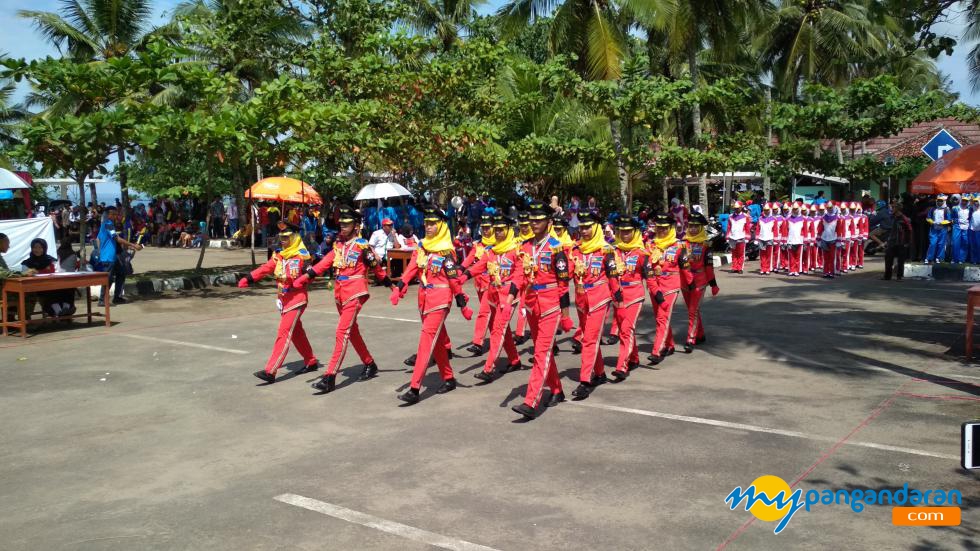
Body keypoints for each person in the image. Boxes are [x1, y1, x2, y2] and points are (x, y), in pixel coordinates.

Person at [292, 207, 390, 392]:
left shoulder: (362, 246)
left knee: (342, 332)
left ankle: (330, 376)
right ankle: (369, 363)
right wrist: (304, 278)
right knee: (352, 332)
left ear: (356, 226)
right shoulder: (338, 246)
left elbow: (376, 267)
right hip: (340, 293)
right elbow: (322, 265)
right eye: (341, 224)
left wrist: (390, 284)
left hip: (355, 292)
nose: (343, 227)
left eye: (347, 224)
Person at [389, 206, 473, 405]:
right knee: (438, 339)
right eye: (426, 223)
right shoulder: (423, 247)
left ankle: (414, 388)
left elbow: (454, 280)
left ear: (442, 225)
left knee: (426, 341)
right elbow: (412, 267)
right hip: (424, 298)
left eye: (432, 223)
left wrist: (462, 303)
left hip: (440, 300)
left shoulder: (447, 251)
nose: (428, 226)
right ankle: (448, 378)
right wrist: (400, 286)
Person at [237, 224, 320, 383]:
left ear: (294, 237)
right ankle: (311, 361)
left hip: (297, 299)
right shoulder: (279, 255)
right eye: (281, 237)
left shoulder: (302, 255)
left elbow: (312, 275)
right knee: (296, 332)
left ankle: (271, 371)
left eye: (286, 237)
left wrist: (302, 279)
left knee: (284, 332)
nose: (282, 240)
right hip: (283, 299)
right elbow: (265, 268)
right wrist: (248, 278)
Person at [511, 201, 571, 419]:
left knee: (541, 352)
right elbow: (519, 273)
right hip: (531, 303)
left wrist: (565, 315)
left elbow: (564, 284)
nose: (534, 223)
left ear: (549, 222)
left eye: (539, 219)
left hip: (550, 304)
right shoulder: (525, 247)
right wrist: (511, 293)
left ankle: (531, 401)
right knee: (541, 350)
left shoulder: (557, 248)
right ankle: (556, 390)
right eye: (532, 219)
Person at [458, 215, 525, 381]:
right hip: (493, 294)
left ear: (509, 230)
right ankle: (515, 360)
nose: (499, 233)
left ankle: (488, 368)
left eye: (502, 230)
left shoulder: (516, 250)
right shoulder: (491, 251)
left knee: (498, 330)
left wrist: (511, 296)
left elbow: (519, 274)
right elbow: (479, 266)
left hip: (509, 296)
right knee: (504, 331)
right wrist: (464, 276)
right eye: (497, 230)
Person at [568, 211, 620, 399]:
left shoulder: (606, 249)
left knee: (589, 339)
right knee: (591, 337)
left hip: (600, 298)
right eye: (581, 227)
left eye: (588, 226)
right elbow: (566, 272)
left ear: (596, 227)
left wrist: (617, 295)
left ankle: (585, 380)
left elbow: (613, 274)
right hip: (581, 299)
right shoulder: (575, 249)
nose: (584, 230)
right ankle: (599, 373)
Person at [609, 215, 650, 380]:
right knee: (625, 330)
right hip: (617, 296)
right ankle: (634, 357)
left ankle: (622, 366)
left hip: (634, 296)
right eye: (621, 231)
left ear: (634, 232)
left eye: (628, 232)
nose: (624, 235)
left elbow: (650, 276)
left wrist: (658, 293)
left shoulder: (641, 253)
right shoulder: (613, 252)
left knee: (626, 330)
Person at [680, 213, 719, 352]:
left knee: (692, 311)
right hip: (684, 281)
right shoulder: (682, 244)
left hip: (699, 281)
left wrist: (713, 284)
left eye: (696, 226)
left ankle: (690, 339)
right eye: (691, 226)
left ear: (702, 228)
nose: (693, 229)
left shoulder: (706, 245)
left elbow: (709, 267)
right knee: (693, 310)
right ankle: (700, 334)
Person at [460, 214, 495, 355]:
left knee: (483, 313)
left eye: (488, 227)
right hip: (479, 284)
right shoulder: (478, 244)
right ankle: (498, 338)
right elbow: (469, 258)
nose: (485, 230)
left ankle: (478, 343)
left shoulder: (498, 245)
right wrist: (460, 270)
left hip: (492, 284)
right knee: (490, 315)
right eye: (483, 228)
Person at [95, 208, 144, 306]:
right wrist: (133, 245)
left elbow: (98, 239)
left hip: (112, 256)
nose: (115, 217)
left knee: (121, 273)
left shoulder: (105, 225)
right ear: (109, 215)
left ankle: (117, 297)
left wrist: (100, 250)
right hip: (108, 257)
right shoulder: (108, 224)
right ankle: (102, 300)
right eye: (114, 214)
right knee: (108, 278)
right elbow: (116, 238)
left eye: (116, 214)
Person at [21, 238, 76, 317]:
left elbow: (58, 272)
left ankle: (66, 308)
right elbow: (23, 275)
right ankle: (57, 311)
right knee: (50, 290)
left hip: (53, 284)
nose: (37, 250)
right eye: (35, 247)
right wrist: (28, 273)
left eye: (40, 247)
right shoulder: (26, 263)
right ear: (32, 248)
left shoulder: (51, 260)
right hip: (36, 287)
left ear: (44, 248)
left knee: (69, 287)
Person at [883, 201, 912, 281]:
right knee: (888, 259)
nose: (892, 209)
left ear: (898, 209)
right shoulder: (891, 217)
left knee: (900, 261)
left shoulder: (904, 219)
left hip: (901, 242)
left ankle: (899, 277)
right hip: (891, 242)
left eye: (893, 207)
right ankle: (887, 276)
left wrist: (907, 242)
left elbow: (909, 230)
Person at [817, 202, 842, 278]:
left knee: (832, 257)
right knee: (825, 257)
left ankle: (831, 272)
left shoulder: (837, 218)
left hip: (833, 239)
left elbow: (839, 230)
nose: (829, 209)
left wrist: (839, 241)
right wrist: (818, 239)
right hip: (824, 239)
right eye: (828, 208)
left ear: (834, 208)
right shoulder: (823, 217)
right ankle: (825, 272)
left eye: (831, 208)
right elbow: (820, 229)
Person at [924, 194, 951, 264]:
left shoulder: (947, 209)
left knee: (941, 244)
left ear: (944, 201)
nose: (939, 202)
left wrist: (942, 222)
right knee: (932, 243)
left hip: (943, 229)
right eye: (938, 201)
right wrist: (932, 222)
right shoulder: (933, 209)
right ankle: (929, 258)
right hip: (934, 229)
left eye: (941, 201)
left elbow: (949, 219)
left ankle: (939, 258)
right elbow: (928, 218)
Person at [726, 201, 751, 274]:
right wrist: (727, 237)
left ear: (741, 208)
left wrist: (747, 238)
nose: (736, 210)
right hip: (732, 237)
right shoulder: (730, 216)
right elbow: (729, 227)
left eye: (737, 208)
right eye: (735, 208)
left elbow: (747, 228)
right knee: (734, 253)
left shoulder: (745, 216)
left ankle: (740, 268)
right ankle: (734, 267)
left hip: (741, 237)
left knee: (740, 253)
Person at [756, 203, 777, 275]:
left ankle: (767, 269)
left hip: (770, 238)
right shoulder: (760, 219)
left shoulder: (774, 219)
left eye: (767, 210)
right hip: (761, 238)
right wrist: (756, 238)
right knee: (762, 255)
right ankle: (762, 268)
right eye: (765, 210)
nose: (766, 211)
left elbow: (775, 230)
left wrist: (775, 240)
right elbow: (758, 229)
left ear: (770, 210)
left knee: (768, 255)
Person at [785, 203, 805, 276]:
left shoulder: (803, 219)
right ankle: (791, 270)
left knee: (798, 257)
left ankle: (797, 270)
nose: (795, 210)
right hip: (790, 240)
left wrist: (804, 240)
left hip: (799, 240)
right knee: (791, 256)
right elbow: (786, 230)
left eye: (796, 209)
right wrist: (785, 240)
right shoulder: (788, 219)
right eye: (793, 209)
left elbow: (805, 230)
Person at [951, 194, 971, 264]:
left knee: (965, 243)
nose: (964, 202)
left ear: (968, 201)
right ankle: (954, 258)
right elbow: (952, 217)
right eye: (963, 200)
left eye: (966, 201)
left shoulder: (970, 209)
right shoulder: (955, 208)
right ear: (961, 200)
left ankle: (961, 259)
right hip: (957, 226)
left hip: (966, 228)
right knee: (955, 243)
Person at [970, 195, 980, 264]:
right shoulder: (971, 209)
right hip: (972, 230)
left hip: (979, 230)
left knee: (979, 245)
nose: (976, 203)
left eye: (977, 201)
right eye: (974, 202)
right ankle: (974, 260)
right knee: (973, 245)